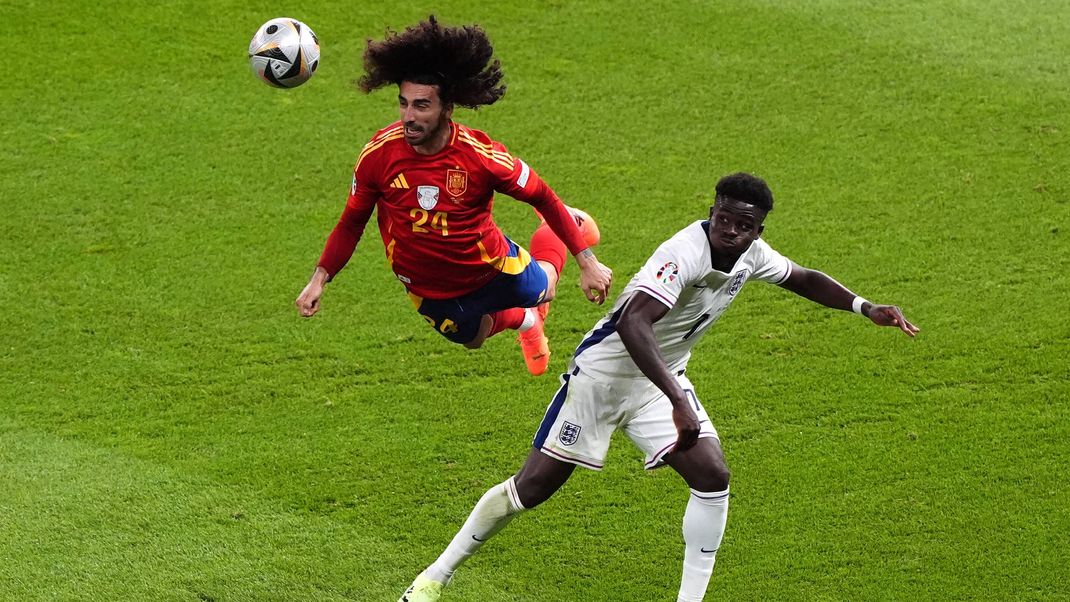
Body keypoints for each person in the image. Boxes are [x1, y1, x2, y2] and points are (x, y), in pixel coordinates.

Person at [399, 172, 919, 602]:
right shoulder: (683, 253)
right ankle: (433, 579)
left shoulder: (752, 254)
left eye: (745, 225)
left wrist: (865, 307)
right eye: (724, 219)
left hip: (659, 379)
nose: (731, 232)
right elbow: (633, 323)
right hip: (605, 375)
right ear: (712, 211)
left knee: (712, 475)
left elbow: (801, 276)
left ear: (759, 229)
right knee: (531, 489)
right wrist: (677, 401)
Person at [294, 16, 612, 376]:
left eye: (421, 106)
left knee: (547, 289)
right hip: (427, 286)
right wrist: (320, 278)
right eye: (404, 104)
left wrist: (587, 263)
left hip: (491, 267)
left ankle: (564, 230)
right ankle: (527, 324)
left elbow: (541, 194)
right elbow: (352, 222)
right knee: (472, 339)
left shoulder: (481, 157)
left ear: (447, 109)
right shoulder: (379, 155)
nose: (408, 117)